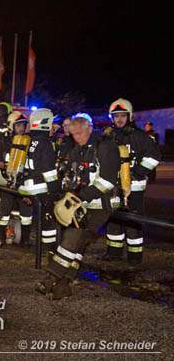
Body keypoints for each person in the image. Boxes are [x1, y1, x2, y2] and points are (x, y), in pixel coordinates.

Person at [36, 116, 120, 299]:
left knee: (73, 234)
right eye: (73, 135)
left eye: (80, 133)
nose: (77, 137)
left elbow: (107, 182)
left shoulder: (105, 146)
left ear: (89, 128)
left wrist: (80, 196)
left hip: (102, 204)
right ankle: (64, 285)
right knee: (78, 241)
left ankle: (52, 276)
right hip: (82, 202)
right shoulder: (78, 148)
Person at [104, 99, 160, 265]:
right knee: (113, 220)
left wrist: (138, 172)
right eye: (116, 116)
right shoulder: (108, 136)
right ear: (112, 118)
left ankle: (134, 257)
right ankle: (113, 253)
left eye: (122, 116)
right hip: (113, 187)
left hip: (135, 188)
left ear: (129, 116)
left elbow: (154, 156)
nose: (119, 119)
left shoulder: (140, 136)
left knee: (133, 222)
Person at [18, 108, 61, 251]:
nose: (54, 127)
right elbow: (49, 172)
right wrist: (55, 192)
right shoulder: (45, 143)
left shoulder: (28, 140)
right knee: (48, 221)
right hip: (42, 188)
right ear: (45, 123)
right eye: (52, 123)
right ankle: (50, 250)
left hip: (27, 187)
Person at [0, 112, 33, 246]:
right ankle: (0, 237)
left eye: (23, 125)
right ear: (12, 127)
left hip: (24, 182)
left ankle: (25, 239)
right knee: (4, 209)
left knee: (26, 213)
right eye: (18, 125)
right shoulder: (4, 143)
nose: (21, 128)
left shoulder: (30, 142)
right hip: (7, 183)